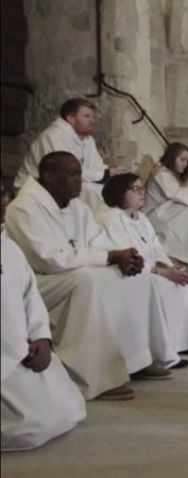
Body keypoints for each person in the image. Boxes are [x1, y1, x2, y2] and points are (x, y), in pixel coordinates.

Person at [4, 151, 181, 401]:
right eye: (73, 174)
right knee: (88, 280)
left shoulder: (77, 207)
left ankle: (135, 359)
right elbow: (49, 259)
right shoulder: (24, 207)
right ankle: (89, 375)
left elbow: (97, 243)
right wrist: (108, 257)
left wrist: (123, 256)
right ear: (49, 176)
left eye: (79, 173)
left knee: (135, 277)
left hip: (70, 273)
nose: (79, 180)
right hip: (38, 283)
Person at [1, 182, 86, 451]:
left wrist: (41, 337)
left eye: (2, 193)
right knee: (30, 427)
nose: (3, 201)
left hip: (21, 349)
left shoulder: (9, 248)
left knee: (71, 409)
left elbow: (30, 296)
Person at [97, 173, 188, 357]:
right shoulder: (110, 218)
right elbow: (124, 256)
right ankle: (163, 350)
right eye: (135, 189)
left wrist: (169, 268)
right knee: (159, 284)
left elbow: (156, 249)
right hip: (127, 274)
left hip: (151, 271)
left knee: (180, 284)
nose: (141, 193)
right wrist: (162, 273)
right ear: (119, 192)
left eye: (141, 188)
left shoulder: (140, 218)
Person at [14, 98, 126, 210]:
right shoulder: (54, 136)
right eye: (87, 116)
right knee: (94, 193)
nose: (92, 120)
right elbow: (64, 172)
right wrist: (104, 174)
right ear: (71, 118)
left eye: (93, 117)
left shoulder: (88, 140)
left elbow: (96, 166)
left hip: (70, 184)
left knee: (114, 190)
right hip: (37, 191)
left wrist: (112, 174)